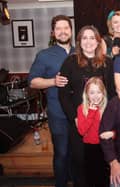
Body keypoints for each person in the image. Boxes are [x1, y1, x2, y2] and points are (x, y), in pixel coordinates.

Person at [58, 25, 115, 187]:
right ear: (79, 42)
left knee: (102, 162)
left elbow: (112, 92)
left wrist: (109, 120)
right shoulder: (70, 62)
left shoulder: (107, 63)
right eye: (84, 38)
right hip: (79, 121)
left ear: (98, 42)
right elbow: (63, 94)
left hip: (102, 122)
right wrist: (74, 118)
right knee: (80, 161)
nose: (88, 42)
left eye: (92, 38)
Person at [28, 15, 74, 187]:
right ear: (53, 33)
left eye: (66, 28)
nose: (63, 31)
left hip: (80, 114)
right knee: (62, 153)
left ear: (71, 30)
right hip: (58, 113)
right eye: (59, 29)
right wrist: (52, 81)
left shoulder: (80, 52)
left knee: (76, 153)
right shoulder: (44, 55)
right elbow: (32, 81)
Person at [77, 77, 110, 187]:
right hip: (90, 147)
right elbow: (82, 131)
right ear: (86, 94)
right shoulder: (82, 109)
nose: (95, 96)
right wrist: (91, 112)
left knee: (104, 177)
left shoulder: (108, 108)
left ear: (103, 93)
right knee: (91, 178)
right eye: (92, 93)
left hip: (105, 147)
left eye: (98, 92)